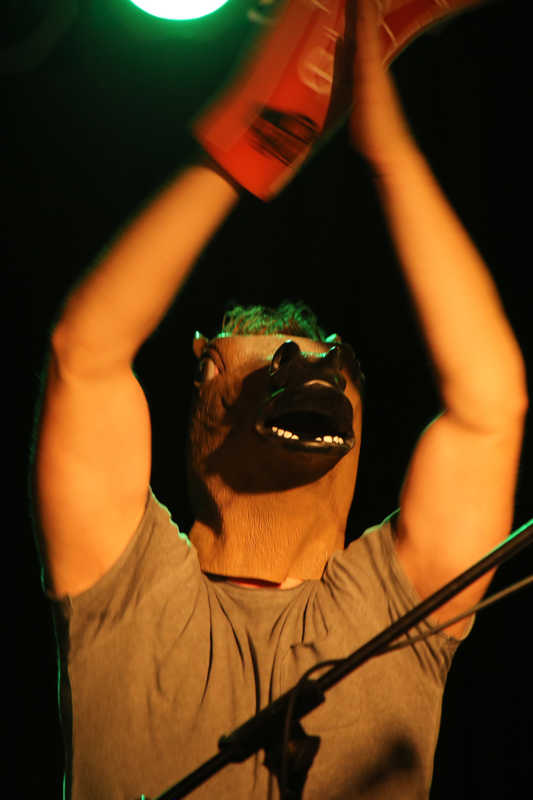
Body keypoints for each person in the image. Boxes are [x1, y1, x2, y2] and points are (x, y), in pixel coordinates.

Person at [32, 1, 528, 798]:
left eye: (332, 360)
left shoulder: (394, 610)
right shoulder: (126, 591)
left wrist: (390, 155)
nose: (308, 363)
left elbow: (487, 403)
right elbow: (84, 353)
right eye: (272, 350)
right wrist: (262, 136)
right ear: (204, 381)